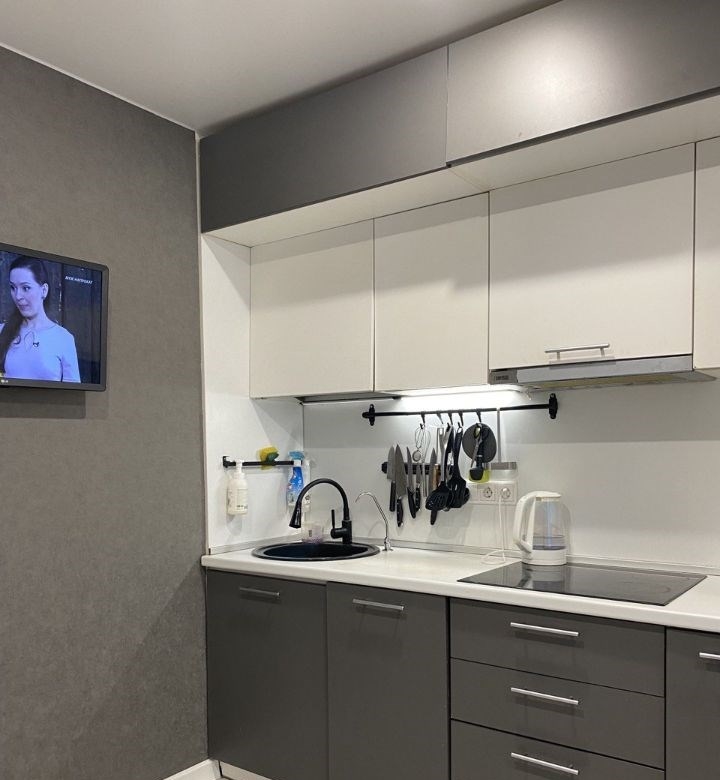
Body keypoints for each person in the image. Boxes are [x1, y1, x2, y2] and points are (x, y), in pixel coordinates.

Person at [0, 255, 80, 382]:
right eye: (13, 287)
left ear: (44, 290)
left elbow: (74, 391)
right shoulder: (2, 331)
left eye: (26, 288)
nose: (18, 296)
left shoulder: (64, 339)